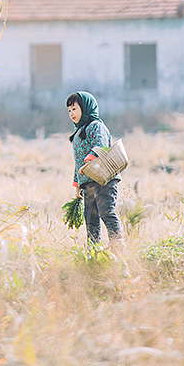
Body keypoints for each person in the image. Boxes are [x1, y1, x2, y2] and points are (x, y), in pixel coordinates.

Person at [67, 91, 128, 266]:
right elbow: (78, 162)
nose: (71, 114)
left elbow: (100, 144)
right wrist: (77, 183)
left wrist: (90, 159)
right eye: (69, 110)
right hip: (88, 182)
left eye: (74, 109)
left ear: (85, 108)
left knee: (107, 212)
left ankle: (118, 246)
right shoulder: (77, 133)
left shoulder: (96, 126)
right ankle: (93, 252)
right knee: (90, 218)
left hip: (104, 179)